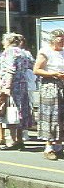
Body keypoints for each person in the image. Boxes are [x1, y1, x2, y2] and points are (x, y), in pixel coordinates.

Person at [0, 32, 35, 150]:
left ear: (8, 41)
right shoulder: (24, 52)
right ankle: (20, 139)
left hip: (12, 86)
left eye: (4, 41)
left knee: (11, 112)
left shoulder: (9, 52)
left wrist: (6, 86)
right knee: (21, 112)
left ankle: (12, 140)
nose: (2, 43)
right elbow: (30, 65)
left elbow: (10, 70)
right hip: (23, 85)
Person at [33, 29, 64, 160]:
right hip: (50, 86)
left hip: (62, 85)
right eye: (60, 38)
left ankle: (59, 146)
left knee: (61, 116)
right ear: (53, 39)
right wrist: (54, 74)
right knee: (50, 116)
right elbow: (36, 70)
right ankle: (48, 147)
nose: (62, 40)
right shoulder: (45, 51)